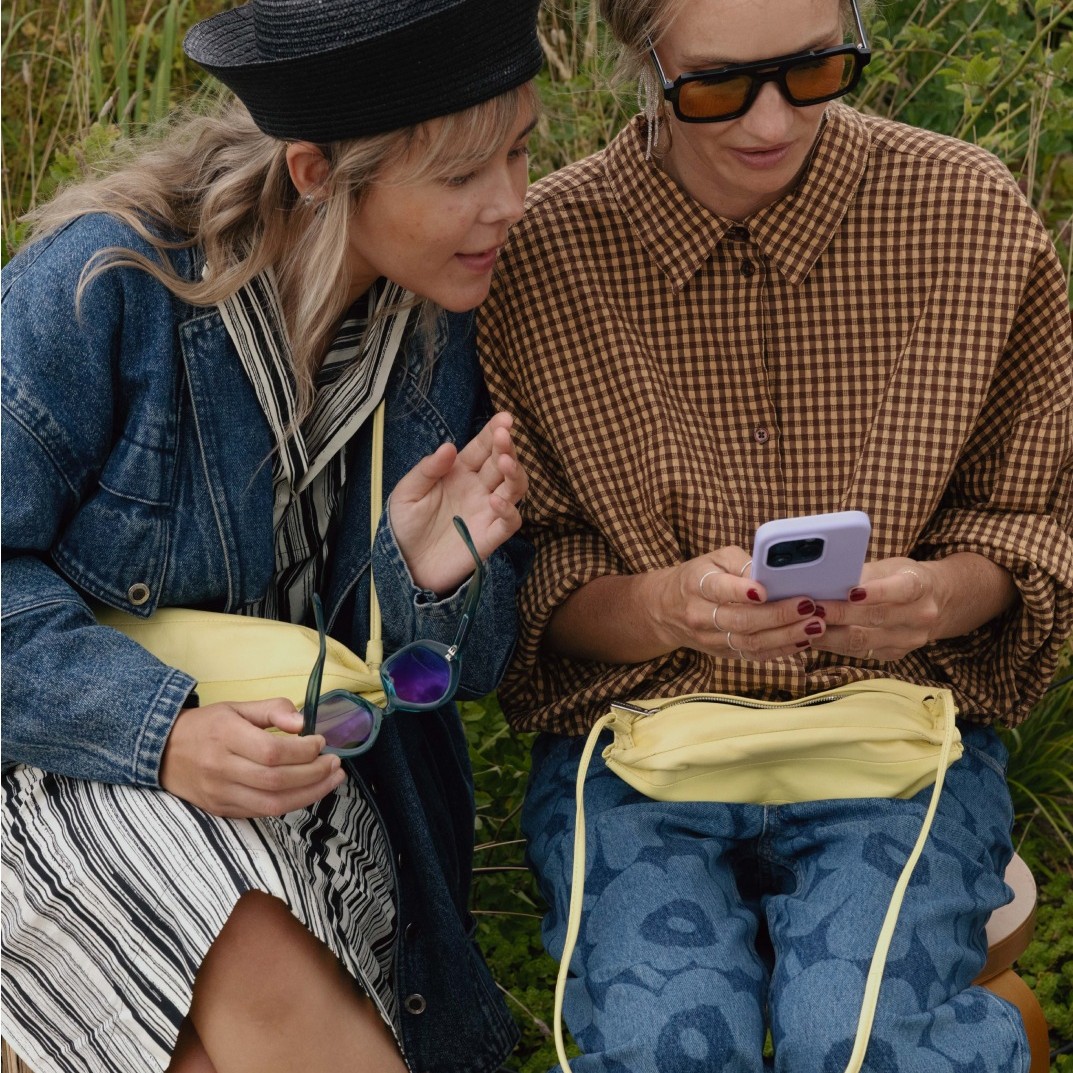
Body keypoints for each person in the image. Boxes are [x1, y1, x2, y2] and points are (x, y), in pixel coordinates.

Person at [477, 0, 1073, 1068]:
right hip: (641, 748)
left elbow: (1033, 522)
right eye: (716, 86)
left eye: (814, 70)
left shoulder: (965, 216)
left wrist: (938, 595)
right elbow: (524, 577)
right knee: (664, 1046)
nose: (770, 121)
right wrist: (663, 607)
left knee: (859, 1039)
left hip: (895, 737)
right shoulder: (541, 253)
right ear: (641, 59)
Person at [1, 1, 543, 1071]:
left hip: (309, 787)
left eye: (521, 151)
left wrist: (420, 581)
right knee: (237, 933)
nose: (510, 203)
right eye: (459, 176)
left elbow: (467, 673)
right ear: (315, 171)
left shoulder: (435, 327)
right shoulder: (106, 286)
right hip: (65, 758)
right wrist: (163, 732)